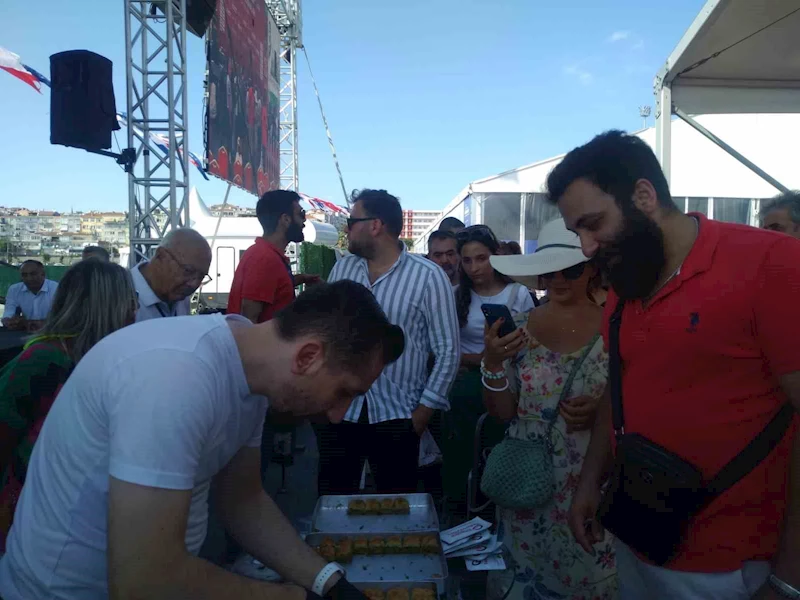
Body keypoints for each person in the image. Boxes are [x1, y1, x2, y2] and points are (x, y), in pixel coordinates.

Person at [0, 280, 404, 600]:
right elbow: (145, 581)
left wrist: (329, 583)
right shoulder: (176, 374)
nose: (337, 414)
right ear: (307, 357)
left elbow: (242, 500)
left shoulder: (250, 374)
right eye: (344, 392)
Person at [549, 130, 800, 600]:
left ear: (644, 196)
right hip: (638, 536)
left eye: (593, 223)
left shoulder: (774, 263)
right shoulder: (628, 279)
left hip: (735, 566)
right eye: (576, 232)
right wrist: (589, 480)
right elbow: (620, 386)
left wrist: (789, 579)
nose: (585, 247)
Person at [482, 218, 617, 600]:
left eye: (571, 269)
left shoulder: (617, 329)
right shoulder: (518, 328)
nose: (558, 279)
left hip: (591, 481)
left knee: (589, 578)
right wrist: (492, 363)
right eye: (548, 270)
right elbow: (502, 413)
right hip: (525, 481)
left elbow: (643, 405)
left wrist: (602, 410)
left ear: (592, 268)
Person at [318, 189, 460, 495]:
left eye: (352, 220)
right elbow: (325, 334)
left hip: (399, 417)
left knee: (396, 512)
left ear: (375, 225)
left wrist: (422, 415)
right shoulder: (343, 269)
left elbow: (448, 352)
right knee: (333, 504)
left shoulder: (428, 277)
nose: (347, 228)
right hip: (343, 412)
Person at [0, 260, 137, 552]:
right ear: (107, 305)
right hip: (31, 520)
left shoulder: (114, 358)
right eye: (130, 299)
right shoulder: (44, 360)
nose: (136, 309)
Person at [441, 225, 533, 519]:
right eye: (466, 261)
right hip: (465, 392)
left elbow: (527, 345)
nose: (473, 267)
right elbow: (447, 347)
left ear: (494, 256)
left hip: (508, 387)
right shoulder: (455, 294)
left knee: (498, 454)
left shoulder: (518, 293)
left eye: (481, 258)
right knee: (463, 457)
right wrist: (482, 358)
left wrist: (481, 358)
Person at [227, 189, 320, 324]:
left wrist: (301, 279)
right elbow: (248, 320)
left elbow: (271, 287)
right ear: (285, 220)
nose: (304, 220)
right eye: (301, 214)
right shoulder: (264, 259)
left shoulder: (268, 255)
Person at [129, 227, 212, 321]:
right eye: (188, 271)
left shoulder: (181, 297)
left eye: (201, 277)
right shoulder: (120, 296)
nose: (193, 284)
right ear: (161, 256)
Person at [1, 260, 58, 332]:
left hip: (52, 332)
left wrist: (30, 323)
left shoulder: (57, 288)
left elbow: (63, 318)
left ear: (43, 274)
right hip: (25, 334)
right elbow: (9, 312)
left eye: (33, 274)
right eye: (24, 275)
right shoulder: (14, 289)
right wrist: (9, 321)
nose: (29, 278)